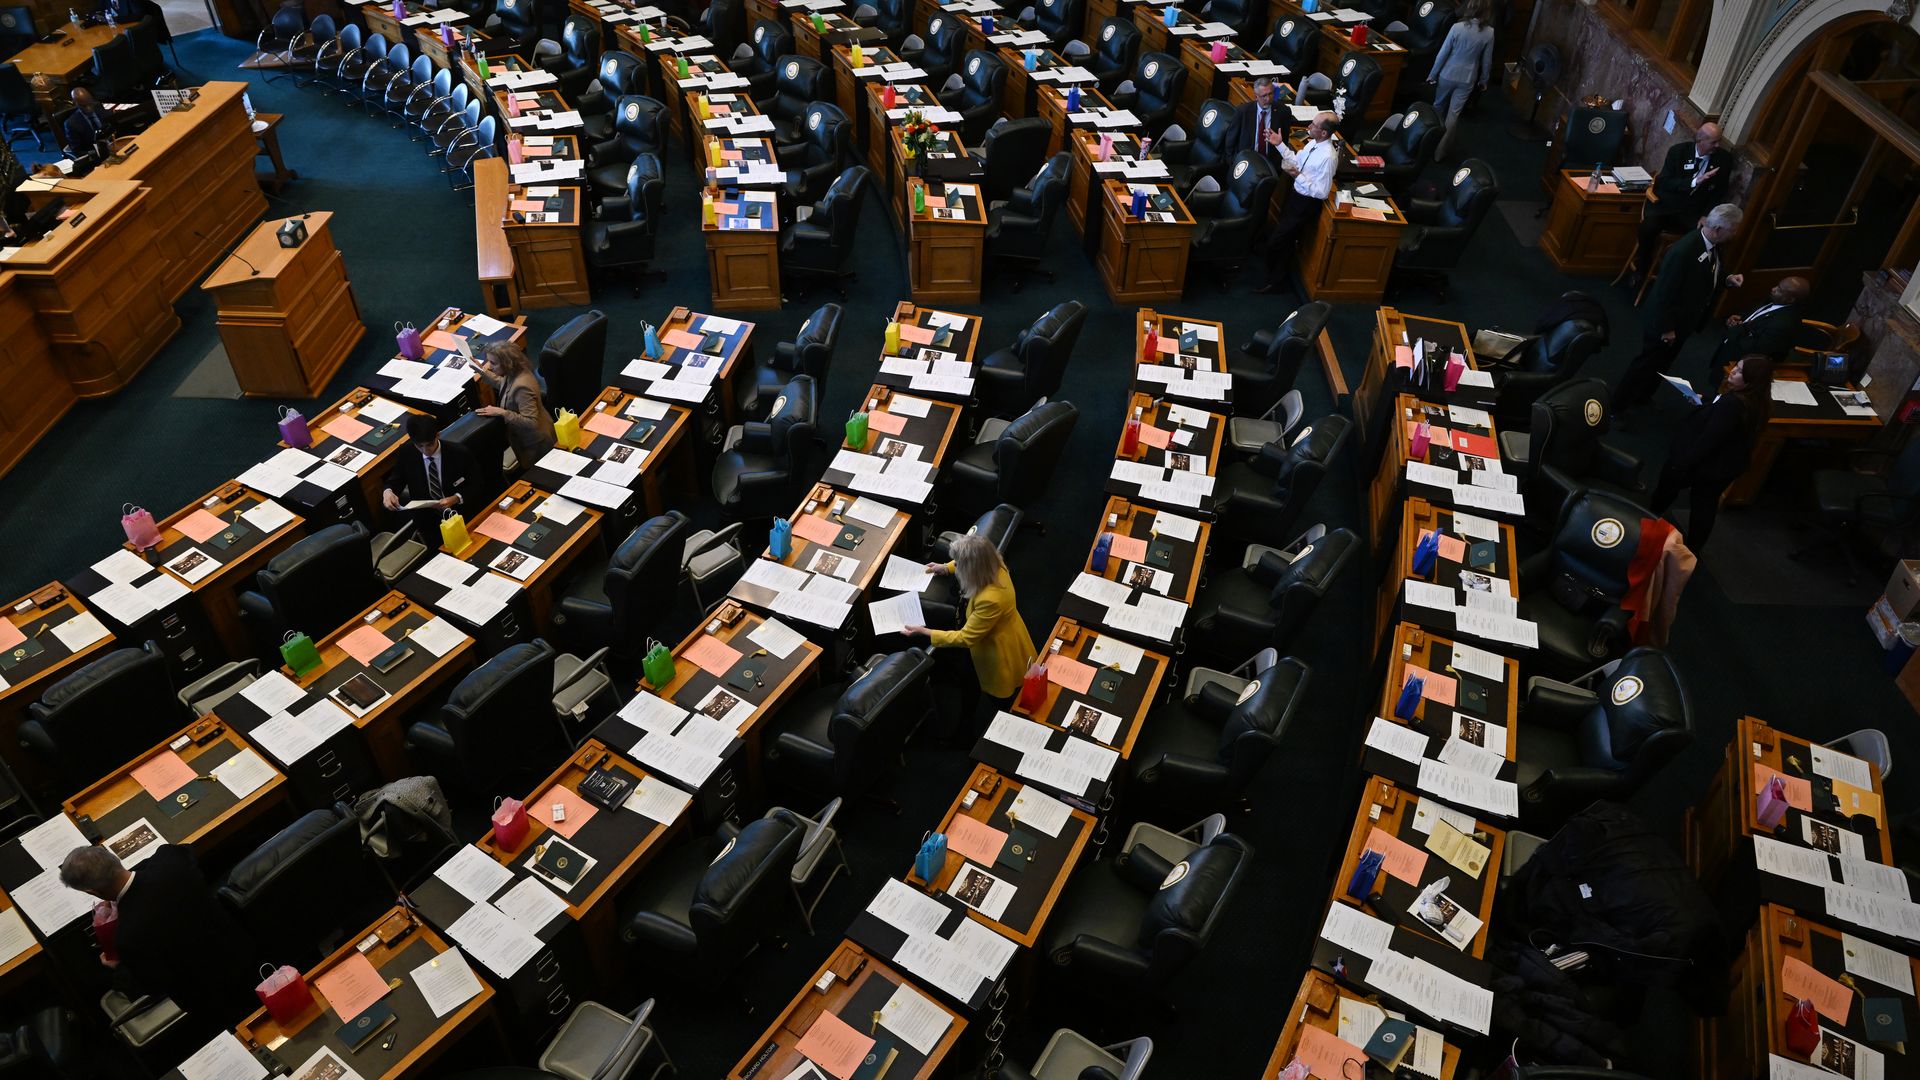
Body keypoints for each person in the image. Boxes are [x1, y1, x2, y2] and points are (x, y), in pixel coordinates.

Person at [59, 844, 260, 1038]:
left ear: (92, 892)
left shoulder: (127, 937)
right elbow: (183, 850)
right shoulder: (171, 861)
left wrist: (118, 966)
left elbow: (151, 986)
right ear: (116, 859)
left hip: (213, 1002)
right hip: (246, 955)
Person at [1611, 202, 1745, 418]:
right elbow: (1665, 293)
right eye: (1734, 229)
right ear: (1718, 229)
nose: (1736, 234)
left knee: (1663, 363)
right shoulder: (1684, 251)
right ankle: (1615, 408)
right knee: (1644, 365)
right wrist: (1666, 328)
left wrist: (1726, 280)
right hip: (1665, 324)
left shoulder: (1715, 246)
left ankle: (1642, 397)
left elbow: (1706, 276)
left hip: (1684, 323)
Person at [901, 534, 1036, 738]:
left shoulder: (991, 599)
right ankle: (967, 716)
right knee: (968, 679)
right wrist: (946, 567)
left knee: (1000, 699)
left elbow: (966, 638)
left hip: (994, 650)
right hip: (980, 634)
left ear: (972, 569)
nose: (958, 566)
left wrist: (925, 632)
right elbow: (967, 559)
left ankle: (1007, 730)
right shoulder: (993, 563)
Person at [1650, 353, 1774, 551]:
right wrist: (1706, 402)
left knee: (1675, 486)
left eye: (1740, 371)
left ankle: (1649, 516)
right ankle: (1693, 549)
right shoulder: (1757, 400)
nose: (1733, 370)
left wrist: (1680, 464)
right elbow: (1726, 421)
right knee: (1705, 505)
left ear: (1751, 380)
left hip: (1709, 465)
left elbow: (1709, 439)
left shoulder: (1731, 404)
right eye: (1737, 366)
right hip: (1728, 464)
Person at [1628, 122, 1731, 284]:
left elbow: (1719, 193)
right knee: (1647, 229)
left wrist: (1707, 215)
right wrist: (1694, 182)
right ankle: (1642, 268)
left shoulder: (1723, 160)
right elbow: (1665, 182)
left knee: (1705, 240)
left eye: (1719, 141)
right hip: (1667, 207)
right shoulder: (1678, 152)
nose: (1717, 146)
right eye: (1714, 142)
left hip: (1694, 214)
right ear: (1700, 140)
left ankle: (1680, 280)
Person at [1255, 110, 1338, 295]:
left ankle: (1274, 277)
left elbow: (1322, 192)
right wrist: (1280, 145)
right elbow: (1297, 161)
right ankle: (1276, 280)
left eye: (1313, 125)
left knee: (1277, 241)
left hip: (1306, 205)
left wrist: (1298, 177)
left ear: (1324, 133)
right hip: (1295, 196)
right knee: (1285, 242)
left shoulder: (1328, 157)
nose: (1308, 127)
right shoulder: (1312, 144)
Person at [382, 412, 475, 536]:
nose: (426, 451)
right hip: (427, 521)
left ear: (437, 435)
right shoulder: (406, 452)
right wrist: (388, 492)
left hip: (461, 515)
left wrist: (456, 498)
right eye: (420, 446)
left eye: (430, 445)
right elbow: (396, 480)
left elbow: (477, 484)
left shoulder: (459, 453)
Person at [1425, 0, 1495, 159]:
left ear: (1469, 9)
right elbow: (1487, 61)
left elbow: (1442, 54)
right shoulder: (1489, 33)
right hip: (1467, 79)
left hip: (1447, 74)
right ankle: (1439, 153)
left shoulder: (1457, 28)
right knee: (1453, 115)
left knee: (1437, 107)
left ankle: (1427, 143)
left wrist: (1432, 74)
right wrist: (1484, 80)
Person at [473, 340, 556, 469]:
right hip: (525, 439)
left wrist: (502, 412)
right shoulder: (515, 371)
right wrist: (480, 370)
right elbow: (504, 385)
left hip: (535, 443)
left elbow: (531, 422)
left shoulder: (522, 387)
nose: (489, 366)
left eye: (493, 363)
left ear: (506, 363)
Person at [1709, 274, 1809, 373]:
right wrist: (1740, 318)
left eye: (1779, 290)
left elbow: (1756, 352)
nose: (1773, 289)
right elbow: (1757, 315)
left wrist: (1736, 329)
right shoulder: (1775, 300)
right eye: (1777, 285)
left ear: (1790, 300)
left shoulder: (1783, 325)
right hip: (1728, 353)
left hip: (1739, 368)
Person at [1230, 76, 1284, 168]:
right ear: (1255, 97)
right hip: (1244, 164)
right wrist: (1235, 165)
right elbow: (1230, 144)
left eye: (1270, 94)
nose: (1268, 99)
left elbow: (1283, 143)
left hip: (1269, 166)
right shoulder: (1242, 112)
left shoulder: (1283, 112)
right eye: (1264, 96)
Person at [62, 88, 114, 167]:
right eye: (84, 106)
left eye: (90, 104)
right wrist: (97, 152)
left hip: (113, 147)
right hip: (95, 159)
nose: (89, 108)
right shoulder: (71, 124)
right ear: (75, 103)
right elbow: (77, 151)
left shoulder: (99, 107)